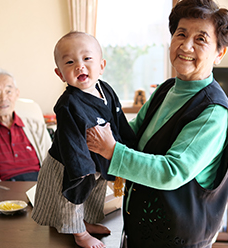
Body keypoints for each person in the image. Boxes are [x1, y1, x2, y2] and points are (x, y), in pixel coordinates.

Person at [86, 0, 228, 247]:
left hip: (176, 240)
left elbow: (172, 172)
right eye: (180, 34)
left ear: (219, 53)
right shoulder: (166, 90)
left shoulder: (214, 111)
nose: (186, 45)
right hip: (139, 231)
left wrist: (111, 150)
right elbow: (130, 134)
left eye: (201, 39)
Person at [31, 31, 135, 248]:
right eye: (70, 62)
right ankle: (79, 233)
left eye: (87, 59)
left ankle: (85, 222)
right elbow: (71, 141)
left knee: (93, 195)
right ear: (60, 74)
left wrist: (128, 147)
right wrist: (82, 170)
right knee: (72, 197)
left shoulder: (105, 89)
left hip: (98, 159)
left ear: (101, 65)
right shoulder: (68, 103)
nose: (79, 66)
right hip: (71, 164)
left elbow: (118, 121)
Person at [0, 68, 51, 181]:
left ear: (17, 94)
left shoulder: (36, 126)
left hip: (39, 188)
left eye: (9, 91)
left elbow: (52, 163)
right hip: (4, 191)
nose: (3, 98)